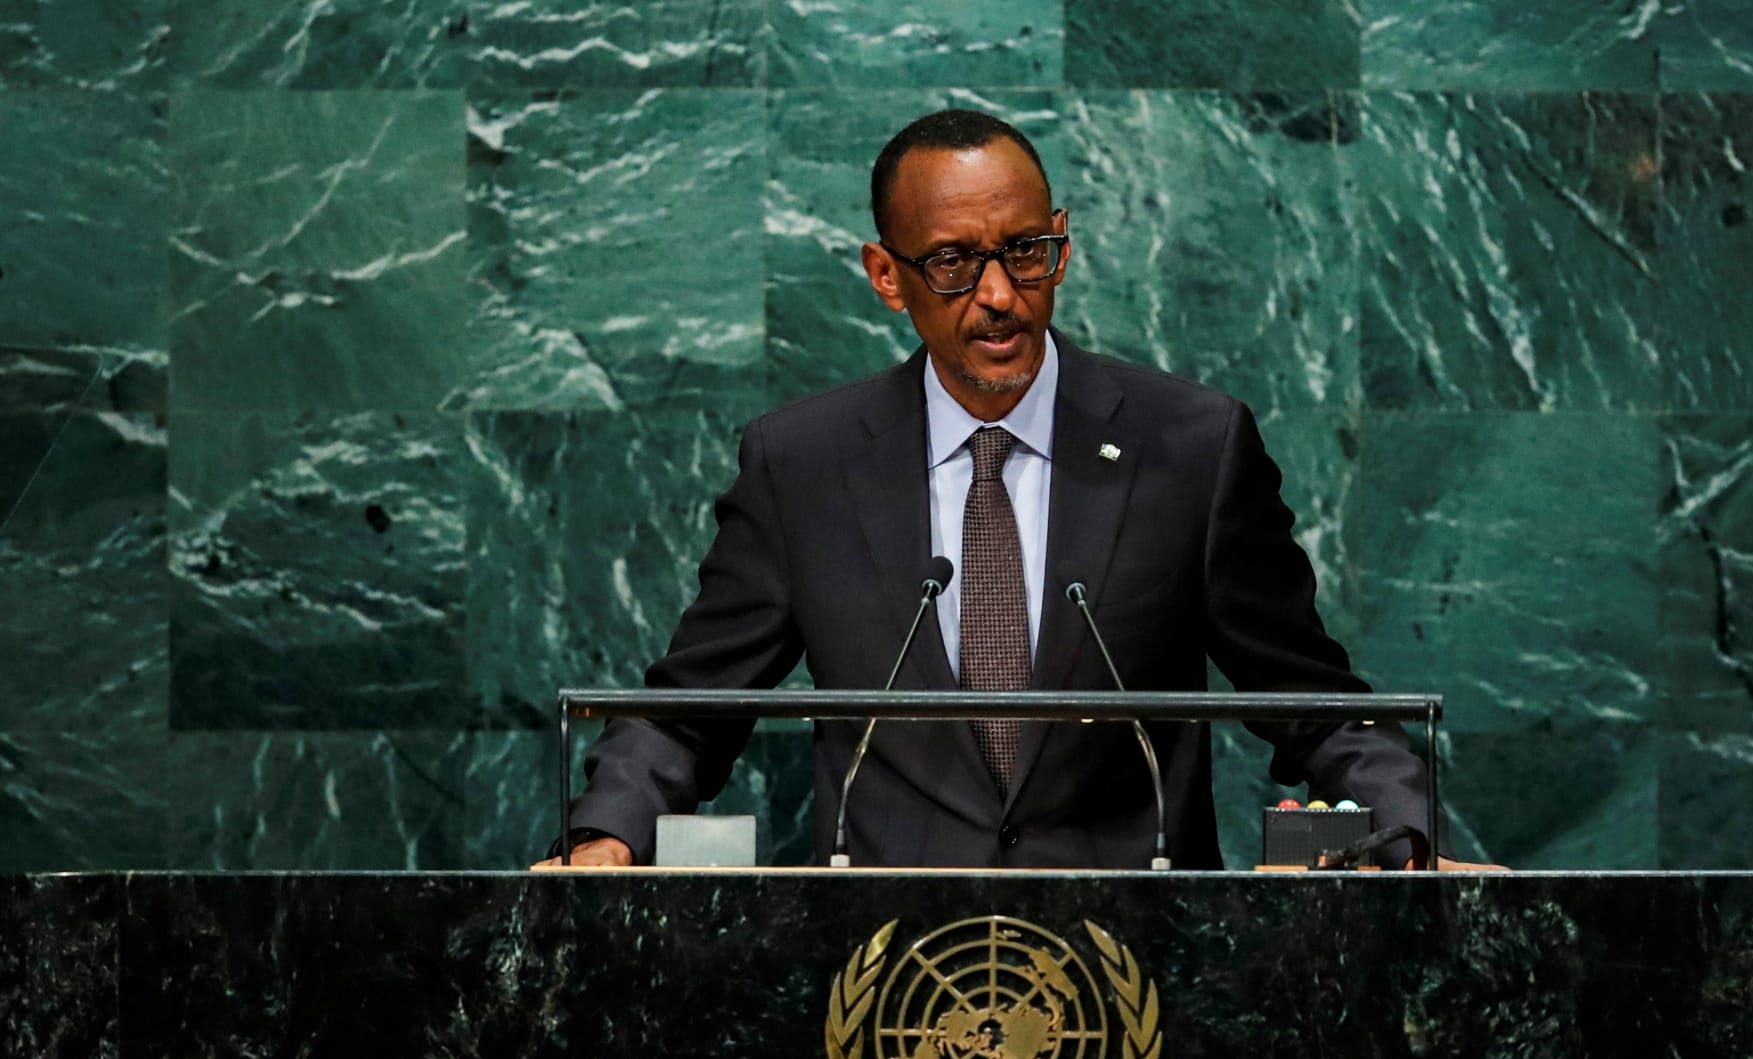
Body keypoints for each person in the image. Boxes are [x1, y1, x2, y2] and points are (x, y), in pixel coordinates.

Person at [537, 109, 1452, 872]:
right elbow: (693, 709)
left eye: (1025, 251)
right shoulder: (802, 464)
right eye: (951, 262)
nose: (999, 294)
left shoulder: (1191, 447)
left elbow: (1313, 702)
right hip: (887, 979)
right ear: (885, 276)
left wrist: (1405, 825)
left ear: (1063, 241)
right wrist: (605, 836)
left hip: (1136, 968)